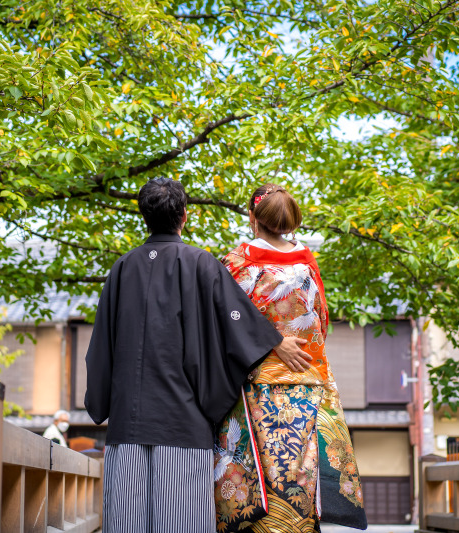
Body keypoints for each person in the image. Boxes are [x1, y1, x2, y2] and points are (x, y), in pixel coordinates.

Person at [85, 177, 312, 533]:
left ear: (144, 215)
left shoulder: (122, 269)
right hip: (184, 423)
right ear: (185, 216)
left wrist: (99, 402)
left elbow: (100, 347)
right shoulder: (203, 264)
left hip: (127, 426)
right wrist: (275, 342)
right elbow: (237, 321)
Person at [215, 184, 368, 532]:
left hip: (258, 390)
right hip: (309, 386)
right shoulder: (307, 265)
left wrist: (269, 346)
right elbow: (322, 322)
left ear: (253, 218)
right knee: (302, 480)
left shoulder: (239, 263)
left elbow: (222, 323)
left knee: (259, 482)